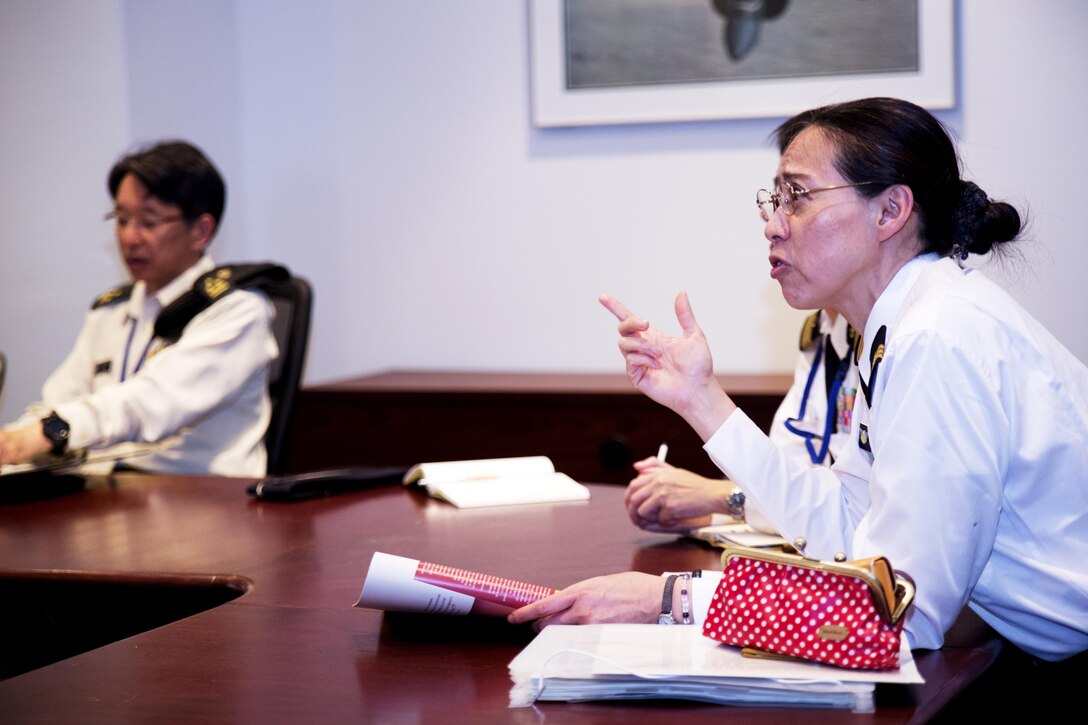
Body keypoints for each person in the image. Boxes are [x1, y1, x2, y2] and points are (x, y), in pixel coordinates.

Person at [509, 97, 1088, 665]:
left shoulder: (936, 336)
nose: (773, 226)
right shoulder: (901, 327)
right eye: (773, 199)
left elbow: (897, 614)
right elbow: (847, 525)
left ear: (890, 211)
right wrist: (701, 400)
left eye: (798, 197)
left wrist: (668, 600)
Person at [0, 141, 277, 477]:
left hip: (205, 503)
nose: (130, 237)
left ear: (201, 231)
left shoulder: (237, 312)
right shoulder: (111, 311)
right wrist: (16, 439)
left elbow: (151, 404)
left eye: (148, 222)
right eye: (121, 219)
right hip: (113, 497)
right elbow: (59, 401)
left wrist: (53, 431)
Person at [626, 307, 857, 534]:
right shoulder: (822, 335)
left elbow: (858, 515)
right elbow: (787, 483)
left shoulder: (881, 346)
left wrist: (720, 496)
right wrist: (710, 518)